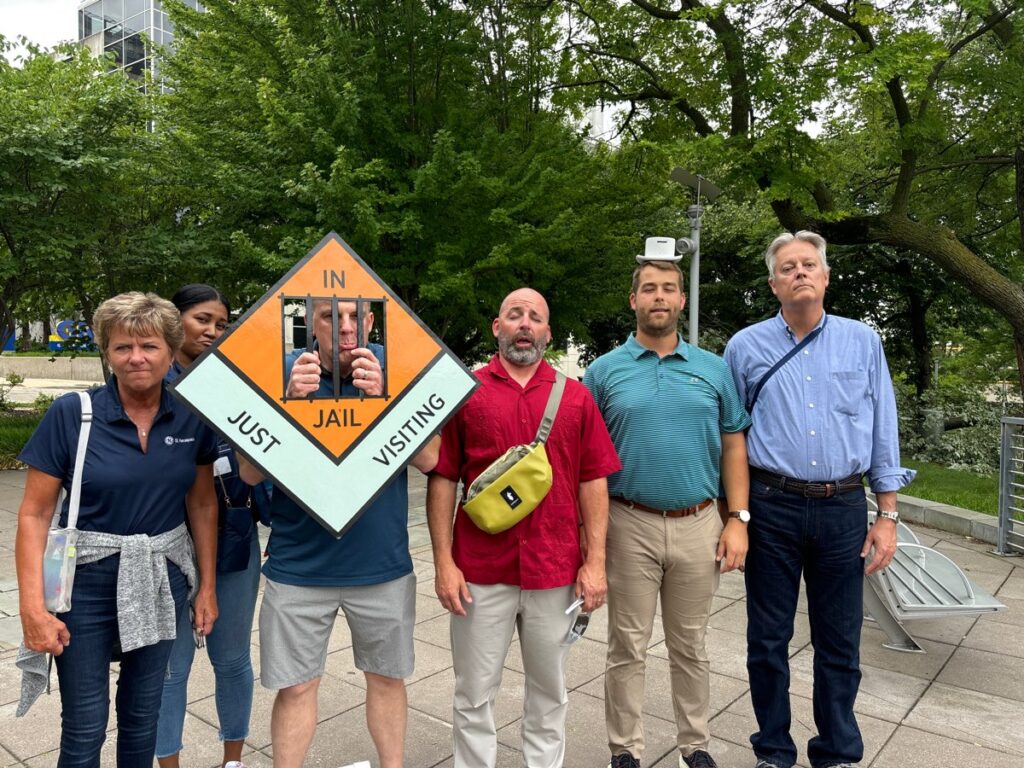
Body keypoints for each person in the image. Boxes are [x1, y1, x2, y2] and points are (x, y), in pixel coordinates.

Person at [723, 231, 915, 768]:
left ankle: (836, 751)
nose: (800, 273)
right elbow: (731, 438)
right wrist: (734, 515)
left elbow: (884, 430)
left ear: (826, 277)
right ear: (773, 283)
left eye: (810, 264)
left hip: (843, 507)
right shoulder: (744, 347)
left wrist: (888, 515)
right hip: (772, 505)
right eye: (789, 268)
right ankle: (774, 751)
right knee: (767, 640)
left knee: (839, 641)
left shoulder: (863, 342)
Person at [15, 292, 219, 767]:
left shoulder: (191, 415)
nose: (136, 358)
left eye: (148, 346)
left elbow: (203, 502)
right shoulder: (73, 414)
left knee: (142, 717)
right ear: (106, 353)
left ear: (170, 350)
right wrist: (31, 607)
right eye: (122, 347)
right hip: (84, 582)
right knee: (85, 724)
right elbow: (34, 514)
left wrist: (206, 585)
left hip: (159, 576)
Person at [238, 297, 438, 768]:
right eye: (331, 316)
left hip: (381, 563)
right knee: (297, 685)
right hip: (299, 564)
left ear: (370, 321)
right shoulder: (281, 374)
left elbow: (431, 459)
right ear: (311, 322)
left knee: (386, 678)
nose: (346, 327)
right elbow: (248, 473)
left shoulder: (396, 373)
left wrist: (384, 401)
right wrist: (287, 404)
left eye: (355, 316)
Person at [427, 287, 621, 768]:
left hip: (554, 570)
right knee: (473, 694)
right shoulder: (467, 394)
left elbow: (593, 482)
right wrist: (443, 564)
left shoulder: (575, 398)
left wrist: (595, 563)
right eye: (515, 315)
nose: (524, 324)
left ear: (547, 333)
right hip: (478, 571)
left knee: (549, 694)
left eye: (534, 317)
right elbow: (444, 479)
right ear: (497, 327)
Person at [583, 258, 751, 768]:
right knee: (627, 646)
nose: (660, 297)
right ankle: (624, 750)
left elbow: (733, 446)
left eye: (669, 289)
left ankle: (694, 745)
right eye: (649, 289)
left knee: (691, 646)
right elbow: (584, 458)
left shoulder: (713, 369)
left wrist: (737, 519)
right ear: (633, 301)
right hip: (627, 522)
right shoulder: (603, 372)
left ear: (682, 301)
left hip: (700, 522)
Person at [157, 284, 265, 768]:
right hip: (164, 546)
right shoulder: (151, 387)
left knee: (234, 661)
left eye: (222, 324)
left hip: (234, 541)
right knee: (169, 671)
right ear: (174, 320)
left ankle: (233, 761)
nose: (213, 332)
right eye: (203, 320)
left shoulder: (233, 388)